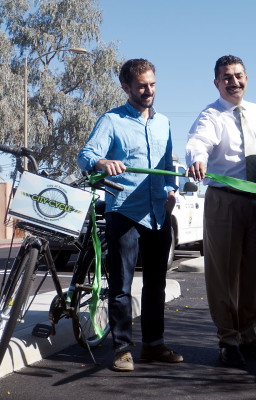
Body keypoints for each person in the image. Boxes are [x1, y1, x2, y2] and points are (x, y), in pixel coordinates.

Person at [78, 59, 183, 372]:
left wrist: (172, 192)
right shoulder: (111, 121)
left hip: (158, 214)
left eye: (152, 84)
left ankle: (153, 345)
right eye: (141, 86)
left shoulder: (163, 122)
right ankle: (122, 348)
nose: (148, 90)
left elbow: (167, 165)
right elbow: (86, 156)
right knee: (122, 286)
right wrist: (103, 162)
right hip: (124, 211)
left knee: (156, 284)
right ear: (126, 87)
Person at [185, 55, 256, 367]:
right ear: (217, 83)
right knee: (223, 273)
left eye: (238, 75)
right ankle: (228, 340)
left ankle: (250, 337)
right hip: (225, 200)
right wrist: (197, 158)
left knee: (253, 273)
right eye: (226, 77)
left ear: (247, 78)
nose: (233, 81)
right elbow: (198, 142)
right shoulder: (211, 115)